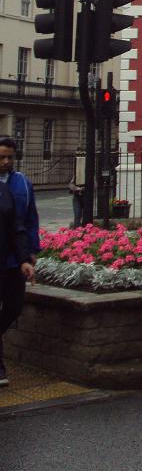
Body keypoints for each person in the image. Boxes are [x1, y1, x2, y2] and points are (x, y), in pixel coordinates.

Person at [0, 138, 39, 387]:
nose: (6, 162)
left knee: (14, 307)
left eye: (10, 157)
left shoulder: (21, 183)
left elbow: (26, 221)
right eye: (2, 157)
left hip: (13, 258)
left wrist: (29, 254)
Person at [68, 150, 86, 228]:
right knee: (77, 214)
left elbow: (94, 185)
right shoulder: (76, 174)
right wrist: (75, 188)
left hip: (86, 196)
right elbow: (70, 184)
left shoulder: (89, 172)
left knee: (86, 215)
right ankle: (77, 231)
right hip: (77, 196)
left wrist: (84, 188)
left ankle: (86, 230)